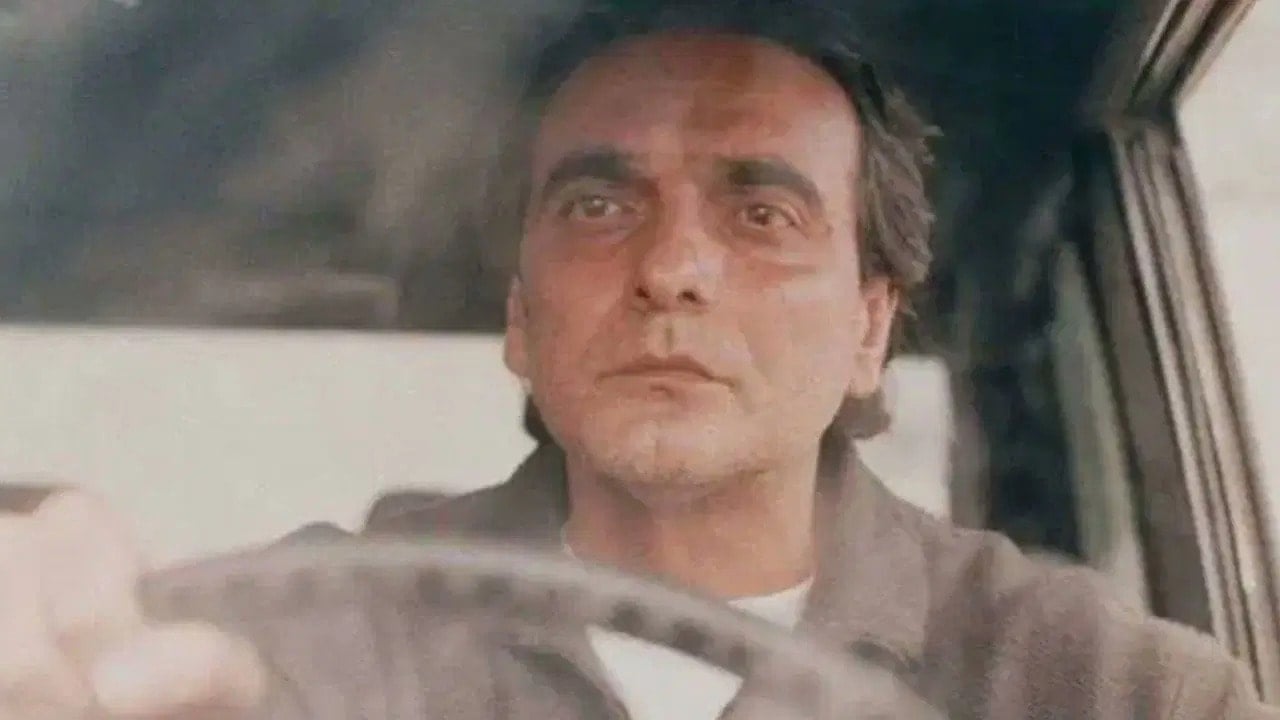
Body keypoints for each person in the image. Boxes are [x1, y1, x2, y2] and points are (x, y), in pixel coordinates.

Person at [1, 2, 1276, 719]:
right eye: (598, 205)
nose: (671, 268)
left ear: (867, 329)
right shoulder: (314, 636)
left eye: (762, 213)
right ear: (519, 320)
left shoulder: (1106, 689)